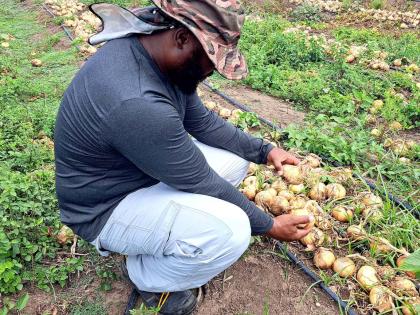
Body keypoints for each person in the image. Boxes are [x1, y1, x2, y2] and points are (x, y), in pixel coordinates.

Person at [54, 1, 313, 314]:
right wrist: (270, 225)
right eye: (211, 61)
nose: (210, 72)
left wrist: (264, 150)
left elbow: (201, 121)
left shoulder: (154, 54)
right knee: (232, 231)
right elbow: (203, 181)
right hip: (104, 210)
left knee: (234, 161)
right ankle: (148, 277)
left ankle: (159, 241)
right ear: (181, 38)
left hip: (134, 174)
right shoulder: (137, 102)